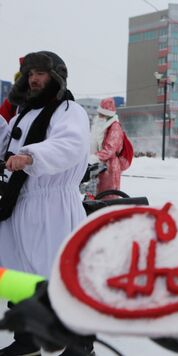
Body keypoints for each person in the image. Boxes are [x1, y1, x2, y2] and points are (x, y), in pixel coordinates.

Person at [0, 51, 91, 356]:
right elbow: (6, 143)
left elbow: (69, 144)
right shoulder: (22, 113)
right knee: (18, 274)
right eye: (30, 74)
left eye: (41, 72)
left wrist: (32, 156)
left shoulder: (69, 110)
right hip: (19, 204)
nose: (34, 79)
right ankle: (27, 340)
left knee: (58, 276)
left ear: (56, 76)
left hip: (52, 206)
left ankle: (80, 345)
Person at [89, 97, 124, 199]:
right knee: (98, 196)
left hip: (110, 167)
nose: (99, 116)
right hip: (100, 165)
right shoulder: (99, 124)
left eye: (102, 114)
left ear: (108, 115)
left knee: (109, 197)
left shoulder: (115, 127)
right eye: (99, 113)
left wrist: (93, 158)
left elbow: (109, 150)